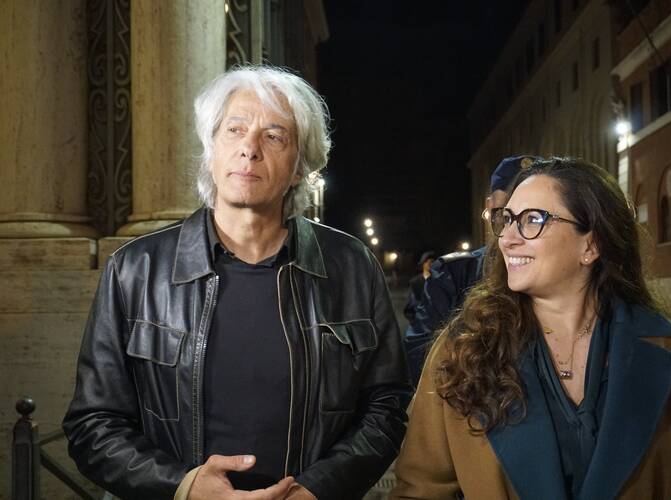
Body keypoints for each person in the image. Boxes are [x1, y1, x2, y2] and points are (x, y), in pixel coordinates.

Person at [63, 65, 412, 500]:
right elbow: (92, 425)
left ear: (300, 167)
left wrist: (317, 489)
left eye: (274, 136)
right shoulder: (134, 270)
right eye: (235, 129)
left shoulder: (351, 267)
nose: (250, 149)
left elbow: (387, 408)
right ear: (211, 149)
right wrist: (184, 487)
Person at [391, 157, 671, 499]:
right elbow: (419, 490)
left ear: (591, 245)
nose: (507, 239)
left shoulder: (665, 349)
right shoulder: (464, 347)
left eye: (532, 220)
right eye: (505, 221)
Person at [403, 155, 538, 384]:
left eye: (531, 217)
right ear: (490, 208)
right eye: (504, 214)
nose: (513, 230)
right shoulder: (455, 274)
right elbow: (422, 354)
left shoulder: (555, 272)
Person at [403, 251, 436, 329]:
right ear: (423, 264)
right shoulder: (415, 282)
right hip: (420, 326)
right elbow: (409, 308)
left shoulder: (440, 281)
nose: (431, 264)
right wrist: (415, 322)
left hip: (436, 326)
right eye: (428, 262)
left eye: (433, 262)